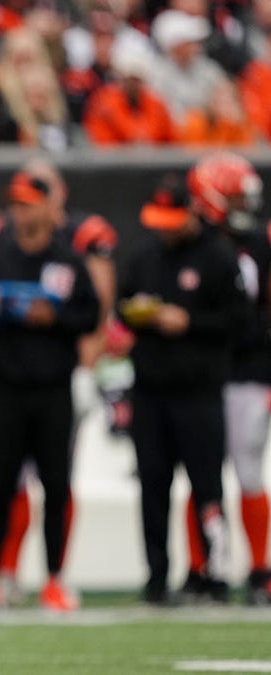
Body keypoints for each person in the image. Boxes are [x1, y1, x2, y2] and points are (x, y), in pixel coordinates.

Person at [0, 173, 100, 613]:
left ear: (46, 208)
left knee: (56, 487)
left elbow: (91, 315)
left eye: (28, 204)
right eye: (15, 205)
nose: (20, 212)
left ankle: (56, 579)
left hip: (53, 389)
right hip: (8, 390)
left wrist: (53, 319)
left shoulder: (68, 262)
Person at [116, 175, 242, 606]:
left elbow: (238, 324)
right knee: (153, 487)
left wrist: (188, 322)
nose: (164, 229)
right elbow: (123, 300)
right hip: (151, 390)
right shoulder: (146, 255)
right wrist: (137, 314)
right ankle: (156, 577)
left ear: (192, 213)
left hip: (199, 391)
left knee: (207, 485)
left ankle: (216, 572)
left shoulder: (219, 258)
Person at [177, 153, 271, 605]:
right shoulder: (189, 244)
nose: (242, 206)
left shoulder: (260, 244)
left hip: (248, 370)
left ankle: (258, 569)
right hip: (200, 372)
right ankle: (200, 569)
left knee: (249, 471)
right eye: (233, 197)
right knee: (199, 475)